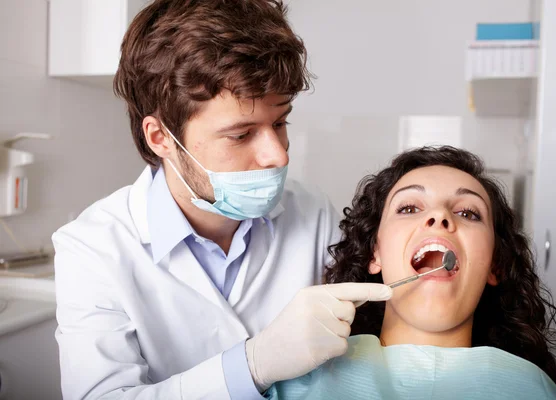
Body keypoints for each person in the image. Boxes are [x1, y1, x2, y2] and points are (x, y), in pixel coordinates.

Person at [52, 1, 391, 399]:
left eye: (280, 122)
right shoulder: (92, 248)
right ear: (160, 137)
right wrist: (254, 365)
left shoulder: (311, 210)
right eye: (241, 134)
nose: (278, 155)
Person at [268, 146, 556, 400]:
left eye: (468, 213)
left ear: (494, 265)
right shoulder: (297, 382)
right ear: (375, 253)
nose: (439, 216)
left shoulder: (534, 388)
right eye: (409, 208)